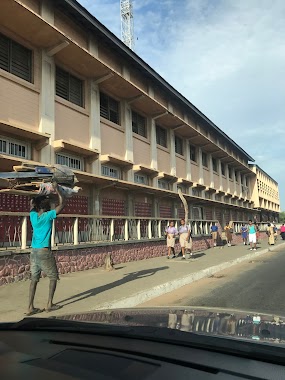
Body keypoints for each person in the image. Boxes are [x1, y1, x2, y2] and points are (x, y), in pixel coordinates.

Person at [27, 183, 65, 316]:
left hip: (33, 252)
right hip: (44, 251)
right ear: (47, 208)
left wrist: (40, 193)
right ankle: (49, 304)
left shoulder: (33, 216)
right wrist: (59, 192)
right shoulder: (48, 216)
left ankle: (30, 307)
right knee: (53, 277)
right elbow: (62, 205)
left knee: (34, 279)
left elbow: (32, 204)